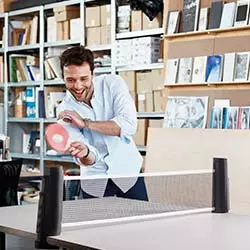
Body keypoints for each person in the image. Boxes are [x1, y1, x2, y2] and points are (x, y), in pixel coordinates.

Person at [57, 45, 148, 201]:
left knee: (141, 223)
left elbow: (128, 125)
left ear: (93, 73)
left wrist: (85, 123)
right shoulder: (65, 111)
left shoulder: (113, 84)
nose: (78, 86)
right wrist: (84, 152)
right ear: (63, 78)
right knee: (96, 225)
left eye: (84, 79)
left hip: (128, 173)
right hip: (95, 180)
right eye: (70, 80)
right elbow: (89, 158)